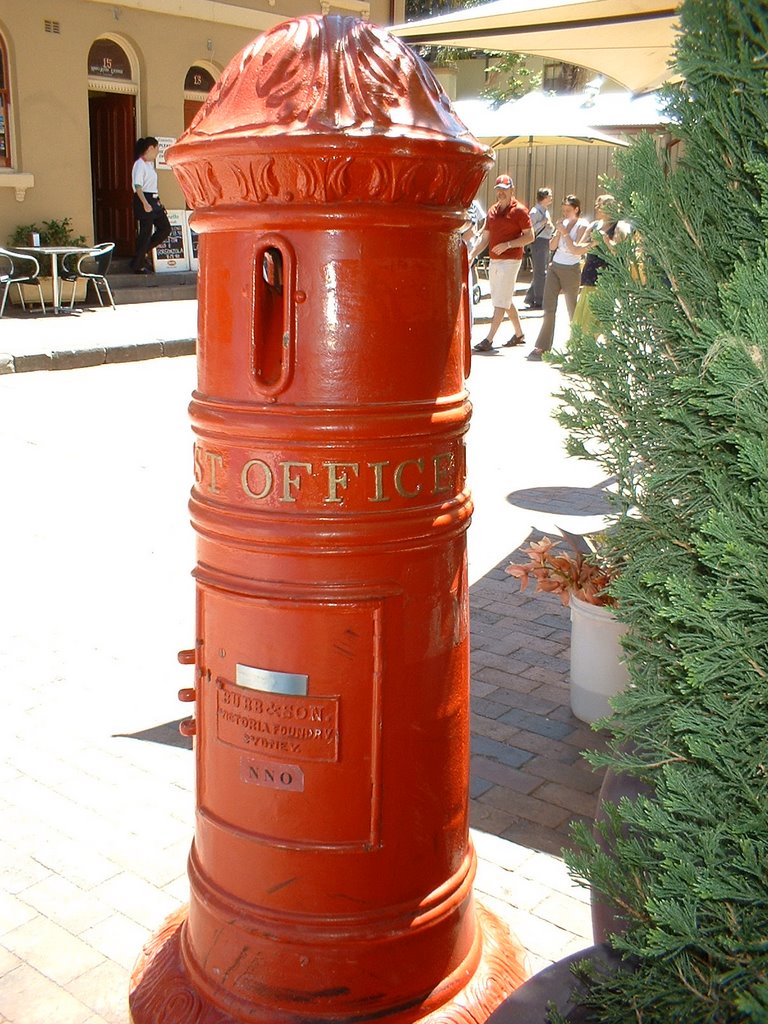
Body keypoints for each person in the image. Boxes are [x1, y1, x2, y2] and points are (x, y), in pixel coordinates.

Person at [473, 175, 534, 353]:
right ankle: (519, 334)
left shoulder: (520, 211)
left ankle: (489, 339)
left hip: (511, 261)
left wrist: (508, 244)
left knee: (500, 301)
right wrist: (471, 255)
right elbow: (485, 238)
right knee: (503, 298)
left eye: (504, 189)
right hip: (495, 260)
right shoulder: (492, 211)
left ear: (512, 190)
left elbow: (530, 236)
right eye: (498, 189)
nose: (501, 193)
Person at [526, 194, 589, 361]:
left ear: (576, 209)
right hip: (556, 265)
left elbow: (576, 250)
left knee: (572, 309)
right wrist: (558, 233)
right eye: (563, 210)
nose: (565, 213)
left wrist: (565, 233)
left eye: (568, 210)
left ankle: (578, 345)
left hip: (571, 268)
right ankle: (543, 345)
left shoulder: (583, 225)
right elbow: (552, 246)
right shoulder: (563, 224)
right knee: (549, 307)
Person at [570, 194, 628, 340]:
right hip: (590, 278)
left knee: (603, 321)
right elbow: (577, 249)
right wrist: (592, 244)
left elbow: (619, 253)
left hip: (608, 280)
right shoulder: (594, 225)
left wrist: (606, 241)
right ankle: (583, 354)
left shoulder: (618, 227)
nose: (596, 207)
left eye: (599, 204)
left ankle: (604, 353)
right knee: (582, 321)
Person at [131, 137, 171, 274]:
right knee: (146, 232)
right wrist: (145, 203)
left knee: (165, 228)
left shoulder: (149, 165)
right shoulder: (139, 164)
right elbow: (138, 186)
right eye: (156, 148)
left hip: (154, 198)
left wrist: (158, 202)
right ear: (150, 148)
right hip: (144, 198)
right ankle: (138, 264)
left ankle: (141, 254)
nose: (158, 152)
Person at [523, 187, 554, 310]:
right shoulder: (535, 212)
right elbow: (529, 229)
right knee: (541, 272)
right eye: (550, 196)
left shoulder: (545, 211)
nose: (551, 198)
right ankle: (539, 300)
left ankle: (530, 297)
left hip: (546, 241)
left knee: (541, 271)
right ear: (544, 197)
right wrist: (542, 223)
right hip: (538, 242)